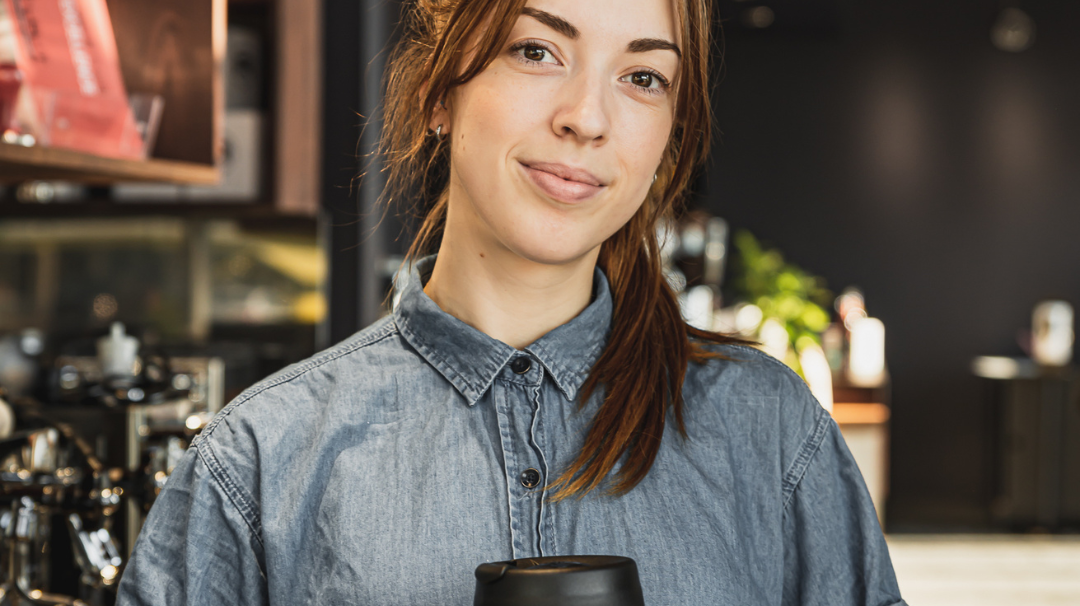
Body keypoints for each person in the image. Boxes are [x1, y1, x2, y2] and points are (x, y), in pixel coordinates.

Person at [117, 0, 906, 603]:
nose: (587, 119)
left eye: (642, 77)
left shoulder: (769, 433)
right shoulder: (259, 459)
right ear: (438, 93)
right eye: (536, 51)